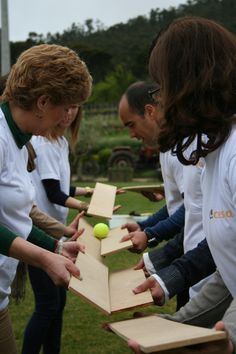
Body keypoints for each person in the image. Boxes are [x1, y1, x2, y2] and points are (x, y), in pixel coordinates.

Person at [128, 16, 236, 353]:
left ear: (190, 83)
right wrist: (175, 327)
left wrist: (228, 337)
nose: (160, 100)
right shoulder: (214, 154)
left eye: (163, 86)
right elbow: (230, 264)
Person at [0, 43, 92, 354]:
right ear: (42, 101)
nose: (68, 116)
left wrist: (56, 245)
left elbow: (15, 219)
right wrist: (44, 258)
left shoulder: (18, 141)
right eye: (66, 107)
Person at [119, 81, 215, 310]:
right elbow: (182, 205)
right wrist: (144, 227)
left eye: (131, 125)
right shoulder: (169, 148)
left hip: (202, 267)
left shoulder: (186, 146)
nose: (132, 135)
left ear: (150, 111)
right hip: (192, 264)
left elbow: (191, 210)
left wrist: (151, 235)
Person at [22, 104, 92, 353]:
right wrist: (87, 205)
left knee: (57, 302)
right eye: (66, 106)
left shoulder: (59, 142)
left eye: (75, 107)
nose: (69, 112)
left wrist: (88, 192)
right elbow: (53, 194)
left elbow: (62, 186)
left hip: (55, 231)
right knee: (47, 305)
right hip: (41, 234)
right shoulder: (43, 144)